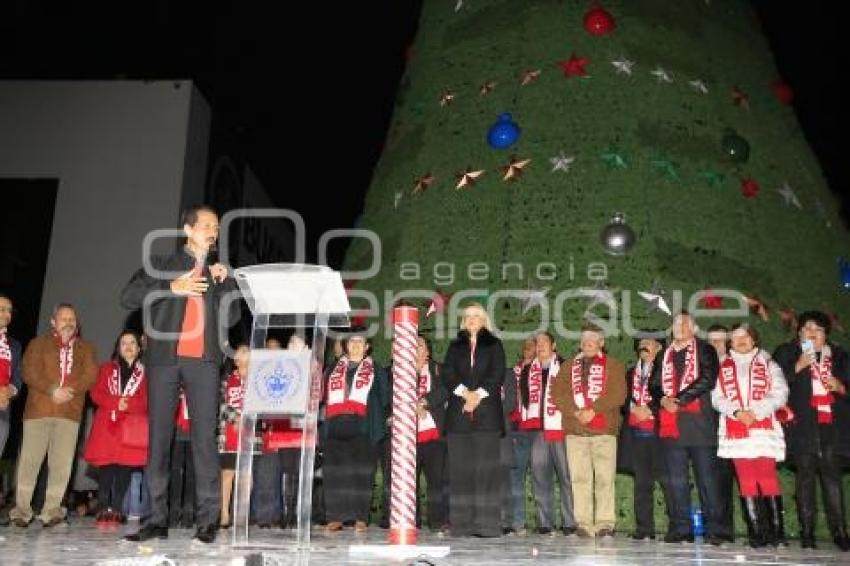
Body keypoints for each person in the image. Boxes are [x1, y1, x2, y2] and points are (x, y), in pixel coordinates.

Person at [121, 204, 239, 544]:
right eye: (206, 225)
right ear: (188, 230)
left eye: (216, 226)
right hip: (164, 360)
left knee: (204, 440)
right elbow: (126, 297)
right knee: (159, 439)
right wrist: (170, 288)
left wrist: (227, 283)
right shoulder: (161, 264)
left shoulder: (218, 273)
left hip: (203, 362)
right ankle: (155, 519)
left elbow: (230, 321)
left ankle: (207, 521)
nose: (213, 231)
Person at [9, 303, 98, 527]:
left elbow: (91, 375)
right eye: (64, 318)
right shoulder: (38, 344)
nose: (69, 322)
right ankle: (21, 511)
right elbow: (28, 371)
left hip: (69, 413)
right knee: (29, 463)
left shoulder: (86, 348)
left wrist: (70, 390)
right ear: (53, 322)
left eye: (72, 319)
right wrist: (52, 390)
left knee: (62, 465)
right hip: (39, 411)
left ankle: (52, 512)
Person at [650, 311, 729, 545]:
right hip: (671, 425)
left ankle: (715, 529)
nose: (680, 326)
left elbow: (708, 378)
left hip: (700, 424)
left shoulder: (705, 350)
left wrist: (679, 399)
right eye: (676, 323)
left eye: (686, 322)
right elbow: (654, 384)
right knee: (676, 480)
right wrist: (663, 399)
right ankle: (680, 528)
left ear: (694, 329)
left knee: (707, 478)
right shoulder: (663, 354)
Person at [773, 310, 850, 551]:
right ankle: (807, 534)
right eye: (807, 329)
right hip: (802, 426)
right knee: (804, 479)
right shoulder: (787, 352)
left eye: (818, 329)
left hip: (832, 426)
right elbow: (772, 384)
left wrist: (841, 386)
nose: (812, 333)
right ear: (799, 333)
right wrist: (797, 366)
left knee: (832, 479)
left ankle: (840, 532)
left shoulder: (840, 356)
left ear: (826, 335)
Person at [711, 323, 788, 548]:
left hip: (762, 425)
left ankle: (777, 533)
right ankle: (756, 533)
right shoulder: (722, 366)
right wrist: (737, 412)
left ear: (754, 339)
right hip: (736, 427)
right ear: (730, 343)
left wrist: (756, 412)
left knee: (767, 477)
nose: (741, 340)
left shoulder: (768, 363)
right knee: (746, 479)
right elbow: (717, 397)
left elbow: (780, 392)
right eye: (735, 338)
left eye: (745, 336)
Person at [552, 323, 625, 539]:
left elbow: (618, 394)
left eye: (592, 339)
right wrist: (576, 411)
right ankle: (582, 523)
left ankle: (605, 524)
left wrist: (594, 410)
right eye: (584, 340)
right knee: (578, 478)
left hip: (604, 431)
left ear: (602, 342)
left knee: (605, 479)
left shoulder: (614, 365)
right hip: (575, 431)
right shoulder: (567, 367)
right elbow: (558, 394)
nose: (587, 343)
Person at [442, 303, 505, 538]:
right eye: (467, 316)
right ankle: (462, 524)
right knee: (460, 471)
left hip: (487, 417)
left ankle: (487, 525)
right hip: (458, 418)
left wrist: (477, 395)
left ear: (484, 319)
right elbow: (447, 373)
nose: (471, 319)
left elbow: (497, 374)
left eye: (476, 315)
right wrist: (464, 393)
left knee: (485, 472)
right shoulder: (454, 346)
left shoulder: (495, 345)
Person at [322, 330, 389, 533]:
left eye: (361, 342)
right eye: (352, 341)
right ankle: (335, 517)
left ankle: (360, 517)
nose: (356, 345)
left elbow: (385, 397)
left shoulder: (376, 368)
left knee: (361, 473)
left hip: (364, 425)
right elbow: (322, 394)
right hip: (335, 424)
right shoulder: (333, 367)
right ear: (346, 345)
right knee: (335, 473)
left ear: (367, 346)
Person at [83, 330, 149, 524]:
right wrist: (115, 402)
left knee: (124, 468)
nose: (128, 347)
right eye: (123, 343)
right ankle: (103, 506)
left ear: (138, 349)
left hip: (130, 427)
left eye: (132, 343)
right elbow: (95, 394)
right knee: (107, 467)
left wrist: (127, 404)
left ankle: (118, 508)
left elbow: (147, 401)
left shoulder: (146, 374)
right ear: (118, 348)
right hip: (108, 424)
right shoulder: (106, 369)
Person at [517, 332, 576, 536]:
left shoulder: (566, 367)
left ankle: (570, 522)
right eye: (537, 343)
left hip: (560, 428)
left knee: (566, 477)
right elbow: (524, 399)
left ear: (554, 345)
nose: (540, 346)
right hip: (537, 431)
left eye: (544, 342)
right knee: (540, 476)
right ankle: (544, 522)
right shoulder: (527, 370)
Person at [255, 334, 306, 529]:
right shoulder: (273, 369)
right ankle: (276, 514)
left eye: (298, 344)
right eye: (291, 343)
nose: (293, 347)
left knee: (295, 471)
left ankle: (294, 513)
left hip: (298, 427)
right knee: (275, 474)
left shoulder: (307, 368)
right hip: (276, 427)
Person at [622, 332, 669, 541]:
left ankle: (678, 527)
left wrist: (649, 409)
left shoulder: (666, 370)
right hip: (638, 435)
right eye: (641, 343)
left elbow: (668, 395)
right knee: (642, 484)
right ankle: (644, 529)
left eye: (649, 343)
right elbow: (623, 399)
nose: (644, 346)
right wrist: (633, 408)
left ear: (659, 348)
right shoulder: (631, 372)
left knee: (669, 483)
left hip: (661, 434)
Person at [412, 334, 449, 532]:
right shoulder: (401, 370)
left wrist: (424, 402)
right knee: (409, 481)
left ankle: (437, 521)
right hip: (408, 433)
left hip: (434, 433)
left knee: (436, 480)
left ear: (427, 351)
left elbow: (445, 389)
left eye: (419, 345)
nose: (415, 347)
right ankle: (411, 520)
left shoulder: (438, 369)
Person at [705, 323, 736, 542]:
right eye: (711, 340)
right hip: (706, 429)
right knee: (710, 479)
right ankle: (715, 528)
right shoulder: (702, 366)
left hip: (734, 426)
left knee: (732, 479)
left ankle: (727, 528)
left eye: (719, 340)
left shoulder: (736, 365)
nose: (714, 344)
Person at [504, 337, 536, 535]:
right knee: (515, 478)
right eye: (526, 346)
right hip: (518, 429)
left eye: (534, 346)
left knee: (543, 477)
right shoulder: (511, 372)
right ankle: (517, 521)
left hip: (541, 428)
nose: (529, 349)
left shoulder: (546, 371)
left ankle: (546, 523)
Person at [218, 344, 250, 528]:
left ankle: (242, 514)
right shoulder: (227, 379)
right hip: (229, 431)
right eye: (240, 352)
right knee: (227, 473)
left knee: (246, 475)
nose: (242, 354)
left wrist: (245, 420)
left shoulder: (257, 380)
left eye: (246, 351)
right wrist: (235, 417)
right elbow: (220, 402)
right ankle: (224, 513)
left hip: (250, 432)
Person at [0, 293, 23, 468]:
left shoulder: (14, 345)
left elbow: (17, 378)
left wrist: (10, 390)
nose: (7, 314)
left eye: (9, 311)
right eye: (2, 309)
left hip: (3, 410)